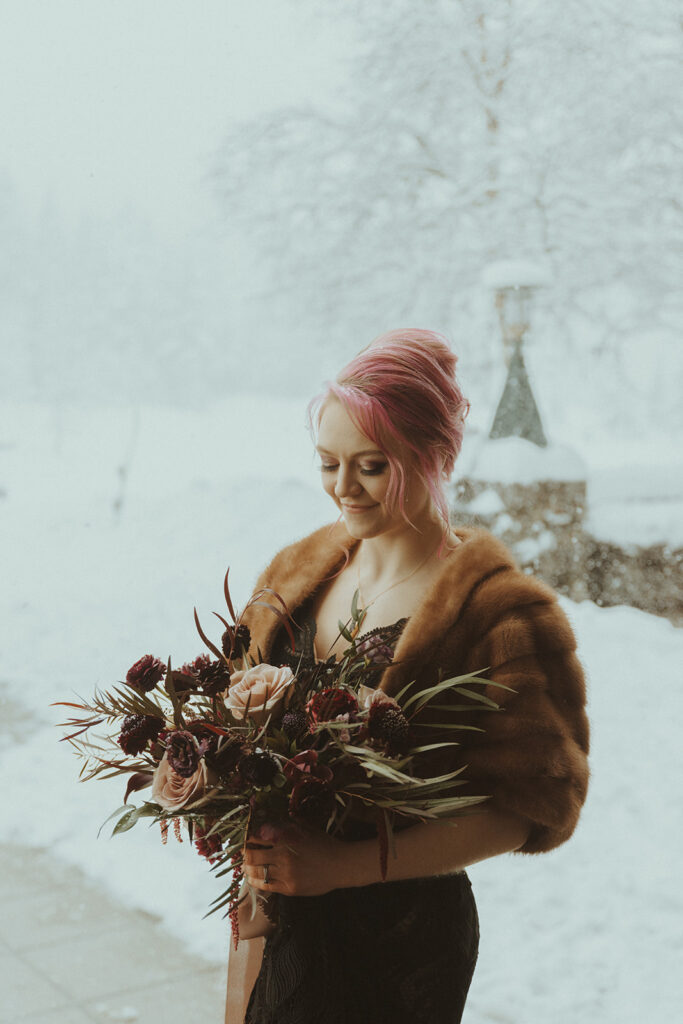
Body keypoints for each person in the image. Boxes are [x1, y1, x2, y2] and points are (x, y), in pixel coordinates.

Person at [224, 328, 590, 1024]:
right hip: (283, 916)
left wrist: (342, 867)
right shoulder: (297, 570)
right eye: (327, 462)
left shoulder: (500, 614)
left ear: (433, 457)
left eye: (369, 465)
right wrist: (194, 772)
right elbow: (233, 716)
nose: (342, 488)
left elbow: (529, 808)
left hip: (401, 938)